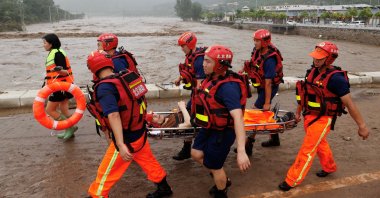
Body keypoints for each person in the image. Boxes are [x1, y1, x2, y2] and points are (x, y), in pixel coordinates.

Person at [278, 41, 370, 191]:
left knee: (307, 149)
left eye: (320, 58)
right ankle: (329, 167)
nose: (316, 60)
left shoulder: (337, 79)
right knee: (320, 144)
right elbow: (304, 94)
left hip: (323, 119)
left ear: (330, 59)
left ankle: (292, 180)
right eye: (315, 56)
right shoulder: (312, 72)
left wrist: (362, 126)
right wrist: (298, 112)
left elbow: (350, 104)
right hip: (309, 116)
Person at [86, 51, 172, 198]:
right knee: (148, 161)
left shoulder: (105, 87)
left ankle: (97, 195)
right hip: (139, 132)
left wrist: (120, 144)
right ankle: (164, 188)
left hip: (127, 138)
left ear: (93, 69)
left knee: (105, 172)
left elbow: (113, 115)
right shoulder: (126, 78)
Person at [191, 45, 251, 198]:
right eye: (204, 60)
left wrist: (242, 151)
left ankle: (221, 191)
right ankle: (223, 178)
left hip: (223, 132)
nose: (203, 64)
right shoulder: (212, 79)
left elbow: (238, 118)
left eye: (208, 62)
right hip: (211, 126)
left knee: (215, 166)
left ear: (219, 66)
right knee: (196, 153)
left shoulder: (228, 88)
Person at [241, 29, 284, 155]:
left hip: (269, 86)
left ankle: (249, 144)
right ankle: (275, 138)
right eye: (254, 40)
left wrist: (266, 102)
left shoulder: (270, 59)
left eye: (257, 41)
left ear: (265, 42)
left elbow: (268, 83)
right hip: (262, 86)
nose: (254, 43)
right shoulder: (257, 51)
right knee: (264, 112)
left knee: (255, 112)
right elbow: (251, 64)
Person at [172, 32, 206, 161]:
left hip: (202, 95)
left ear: (190, 44)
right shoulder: (191, 55)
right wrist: (179, 78)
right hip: (196, 93)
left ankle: (190, 149)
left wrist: (194, 102)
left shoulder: (199, 60)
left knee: (192, 119)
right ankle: (186, 148)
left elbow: (200, 84)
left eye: (183, 46)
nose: (182, 48)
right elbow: (188, 70)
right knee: (190, 116)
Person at [42, 33, 77, 140]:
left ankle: (69, 127)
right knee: (64, 109)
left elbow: (65, 71)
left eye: (45, 43)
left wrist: (58, 70)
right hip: (61, 86)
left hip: (60, 88)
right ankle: (71, 127)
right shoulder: (55, 52)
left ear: (51, 44)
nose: (43, 45)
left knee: (49, 110)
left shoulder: (57, 53)